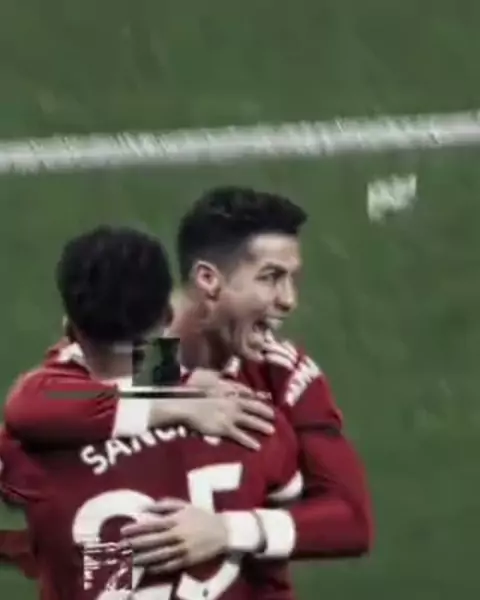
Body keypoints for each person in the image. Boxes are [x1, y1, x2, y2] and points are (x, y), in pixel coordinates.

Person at [3, 188, 373, 595]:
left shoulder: (45, 434)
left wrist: (224, 529)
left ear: (71, 327)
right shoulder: (259, 425)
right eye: (270, 277)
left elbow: (30, 407)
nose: (288, 300)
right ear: (205, 282)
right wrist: (171, 405)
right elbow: (327, 518)